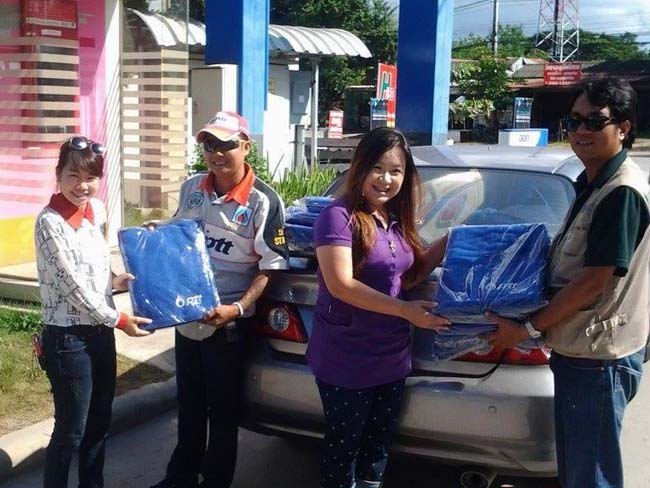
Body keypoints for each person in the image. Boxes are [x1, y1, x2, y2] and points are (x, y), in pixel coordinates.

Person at [486, 77, 650, 488]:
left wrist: (527, 328)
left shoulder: (620, 191)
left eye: (595, 122)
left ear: (623, 128)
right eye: (574, 121)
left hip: (597, 357)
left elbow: (595, 280)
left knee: (589, 475)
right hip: (582, 350)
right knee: (579, 469)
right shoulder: (593, 182)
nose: (580, 131)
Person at [306, 127, 451, 488]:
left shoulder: (394, 219)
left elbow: (407, 278)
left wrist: (450, 242)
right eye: (378, 168)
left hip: (392, 356)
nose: (386, 179)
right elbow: (340, 284)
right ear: (360, 167)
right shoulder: (338, 216)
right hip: (347, 358)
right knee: (344, 448)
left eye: (396, 171)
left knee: (377, 448)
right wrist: (406, 311)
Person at [151, 111, 289, 488]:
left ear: (245, 146)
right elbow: (177, 235)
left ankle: (214, 482)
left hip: (228, 323)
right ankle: (180, 478)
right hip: (187, 316)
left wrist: (237, 309)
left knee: (223, 412)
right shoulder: (192, 187)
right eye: (209, 145)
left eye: (225, 144)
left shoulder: (263, 201)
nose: (216, 153)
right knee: (189, 404)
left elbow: (273, 266)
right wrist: (153, 236)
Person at [35, 136, 151, 488]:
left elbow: (95, 267)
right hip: (68, 340)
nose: (82, 186)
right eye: (73, 175)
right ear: (58, 174)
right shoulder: (49, 222)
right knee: (71, 431)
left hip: (101, 335)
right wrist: (120, 319)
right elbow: (72, 286)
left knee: (99, 425)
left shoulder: (95, 212)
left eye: (90, 177)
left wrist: (116, 281)